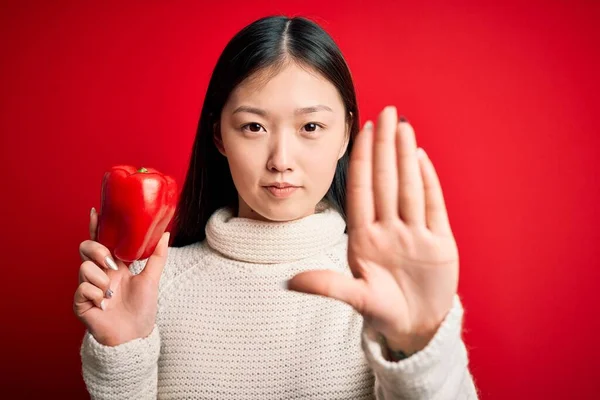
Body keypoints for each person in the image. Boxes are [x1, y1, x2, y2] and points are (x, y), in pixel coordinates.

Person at [74, 15, 479, 399]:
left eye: (310, 127)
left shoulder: (382, 286)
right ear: (219, 136)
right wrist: (121, 350)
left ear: (344, 136)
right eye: (254, 126)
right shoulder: (147, 287)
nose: (281, 159)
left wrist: (420, 345)